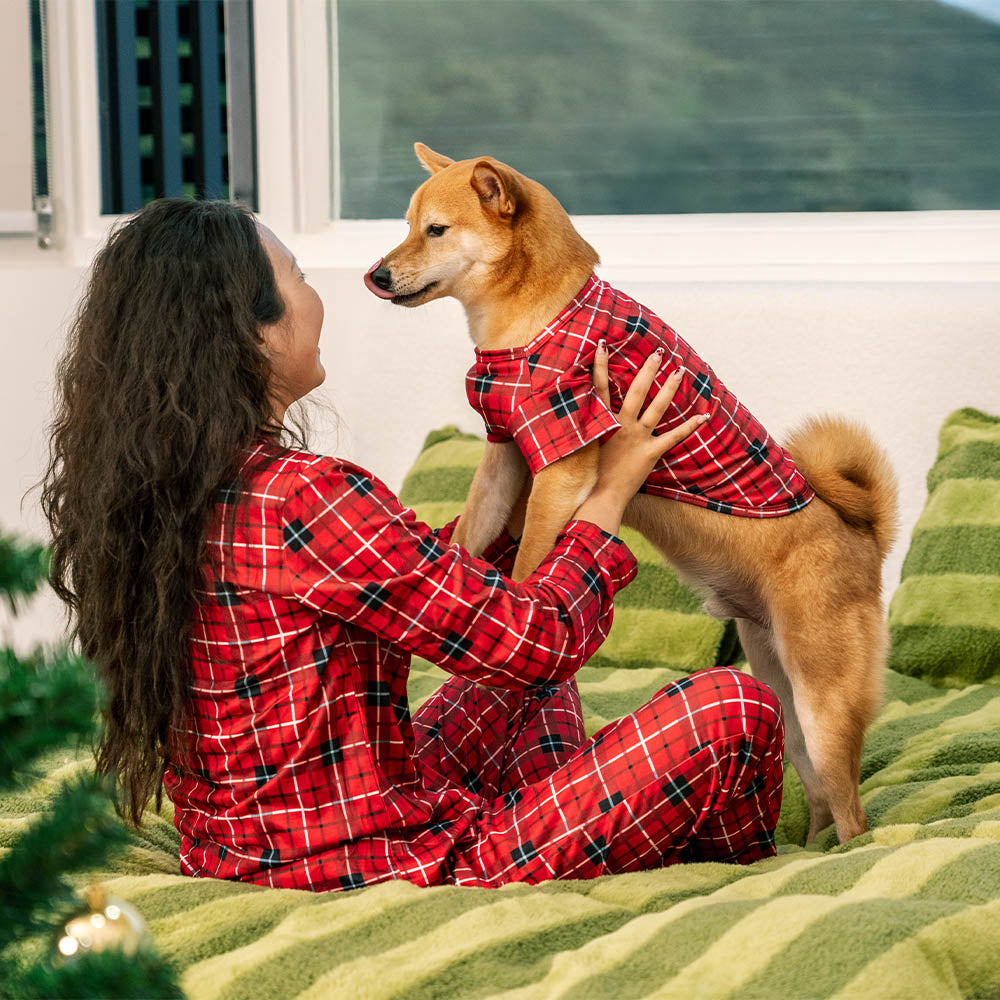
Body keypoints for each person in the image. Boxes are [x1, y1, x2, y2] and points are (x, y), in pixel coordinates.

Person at [41, 198, 785, 893]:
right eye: (298, 278)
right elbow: (543, 638)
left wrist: (535, 455)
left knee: (528, 692)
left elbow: (441, 591)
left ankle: (573, 814)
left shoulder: (169, 491)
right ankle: (642, 845)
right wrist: (609, 493)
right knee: (734, 709)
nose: (315, 296)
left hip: (244, 846)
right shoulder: (304, 496)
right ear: (249, 329)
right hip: (376, 863)